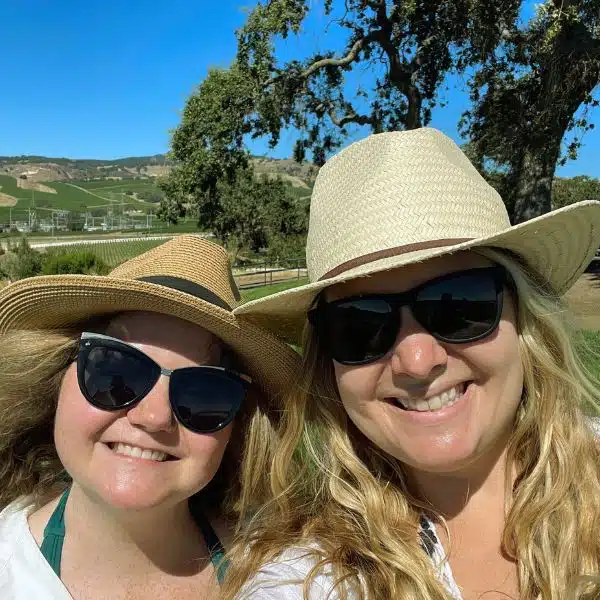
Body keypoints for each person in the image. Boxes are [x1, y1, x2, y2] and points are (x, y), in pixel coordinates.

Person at [225, 129, 600, 600]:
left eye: (458, 305)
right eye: (360, 325)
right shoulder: (304, 583)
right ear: (328, 364)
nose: (417, 362)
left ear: (524, 318)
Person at [0, 235, 299, 600]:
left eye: (205, 393)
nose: (155, 417)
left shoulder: (291, 578)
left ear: (239, 426)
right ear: (53, 381)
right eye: (115, 373)